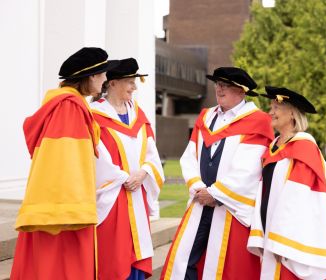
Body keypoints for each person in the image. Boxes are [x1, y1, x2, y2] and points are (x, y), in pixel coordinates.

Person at [10, 47, 118, 280]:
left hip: (59, 211)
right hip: (63, 218)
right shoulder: (69, 108)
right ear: (90, 77)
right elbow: (64, 165)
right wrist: (76, 211)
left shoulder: (67, 105)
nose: (106, 79)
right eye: (102, 74)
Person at [161, 67, 274, 280]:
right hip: (200, 200)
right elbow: (190, 155)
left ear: (241, 91)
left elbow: (249, 168)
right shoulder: (206, 117)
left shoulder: (258, 121)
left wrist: (216, 194)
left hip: (230, 207)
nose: (219, 89)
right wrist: (197, 187)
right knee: (184, 259)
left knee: (226, 267)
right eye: (217, 84)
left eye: (225, 85)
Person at [247, 86, 326, 279]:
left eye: (275, 107)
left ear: (291, 113)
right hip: (269, 227)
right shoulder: (273, 146)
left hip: (289, 235)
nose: (270, 112)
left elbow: (297, 195)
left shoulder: (304, 146)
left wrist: (282, 240)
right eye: (270, 107)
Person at [90, 58, 164, 280]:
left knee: (136, 250)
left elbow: (151, 150)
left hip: (137, 193)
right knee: (113, 255)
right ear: (112, 83)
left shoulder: (138, 114)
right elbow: (95, 155)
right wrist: (123, 177)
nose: (134, 87)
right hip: (112, 196)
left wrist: (144, 173)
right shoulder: (94, 115)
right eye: (129, 82)